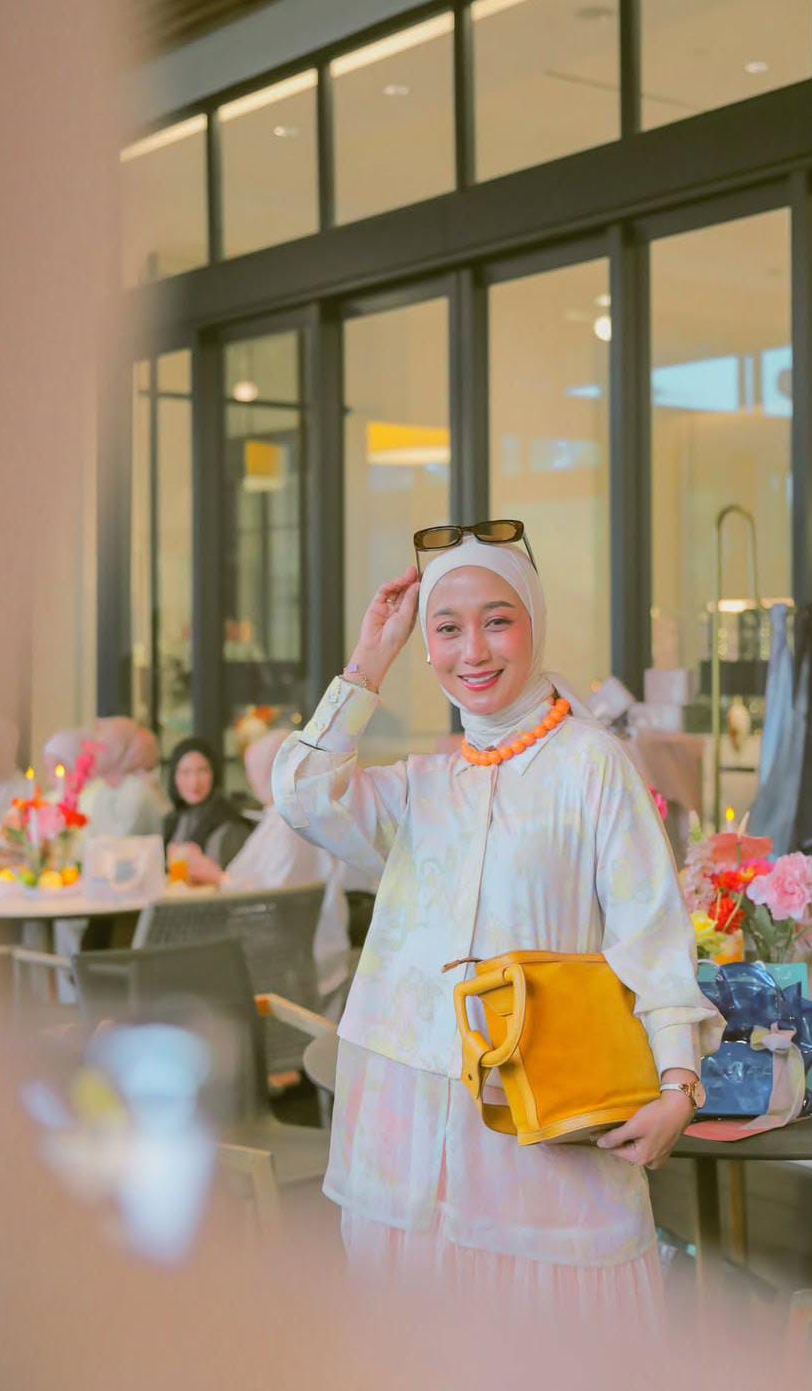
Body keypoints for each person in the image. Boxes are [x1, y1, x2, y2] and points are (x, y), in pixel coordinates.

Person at [272, 527, 723, 1316]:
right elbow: (302, 794)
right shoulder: (422, 786)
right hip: (404, 1137)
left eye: (497, 620)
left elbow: (651, 930)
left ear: (534, 622)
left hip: (541, 1126)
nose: (473, 651)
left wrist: (679, 1084)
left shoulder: (591, 764)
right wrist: (370, 658)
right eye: (447, 628)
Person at [182, 730, 352, 1000]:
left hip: (283, 964)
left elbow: (271, 902)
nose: (251, 781)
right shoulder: (293, 815)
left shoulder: (289, 824)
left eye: (253, 771)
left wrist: (216, 877)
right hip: (300, 959)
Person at [163, 736, 250, 871]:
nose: (194, 782)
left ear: (214, 774)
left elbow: (232, 879)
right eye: (185, 772)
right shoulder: (174, 819)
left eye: (202, 771)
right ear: (174, 777)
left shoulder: (230, 825)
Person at [82, 717, 170, 839]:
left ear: (117, 752)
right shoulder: (105, 791)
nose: (90, 753)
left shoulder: (137, 790)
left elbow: (121, 841)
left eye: (99, 746)